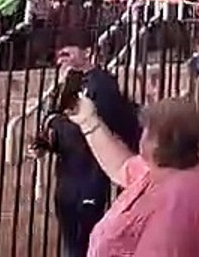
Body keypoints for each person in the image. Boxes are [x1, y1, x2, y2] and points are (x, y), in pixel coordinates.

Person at [66, 95, 199, 257]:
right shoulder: (163, 171)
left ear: (156, 142)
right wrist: (88, 121)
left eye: (146, 130)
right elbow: (120, 167)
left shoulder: (175, 202)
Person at [30, 35, 140, 257]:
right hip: (66, 177)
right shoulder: (64, 87)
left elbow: (98, 125)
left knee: (85, 242)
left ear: (88, 52)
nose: (61, 59)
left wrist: (61, 124)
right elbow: (57, 124)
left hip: (91, 175)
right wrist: (47, 142)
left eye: (67, 53)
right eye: (58, 56)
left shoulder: (102, 83)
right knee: (72, 242)